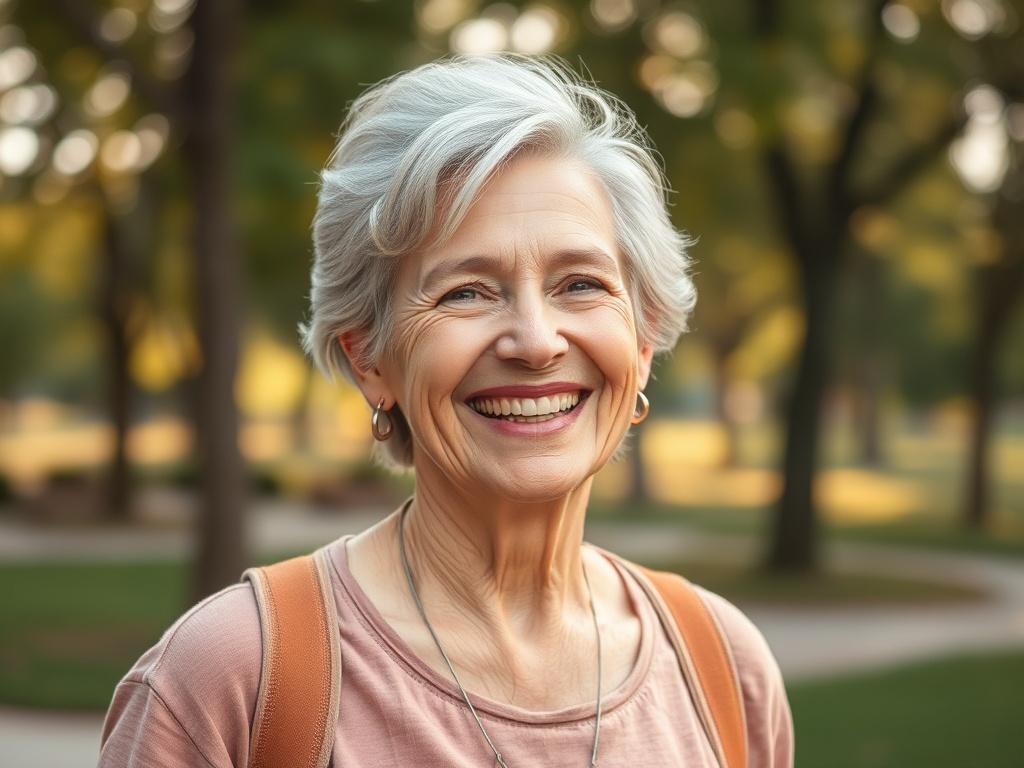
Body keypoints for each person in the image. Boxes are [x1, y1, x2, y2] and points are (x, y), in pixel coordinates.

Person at [99, 53, 794, 767]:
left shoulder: (724, 670)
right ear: (371, 358)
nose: (535, 341)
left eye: (581, 284)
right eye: (466, 291)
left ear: (643, 341)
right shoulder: (232, 678)